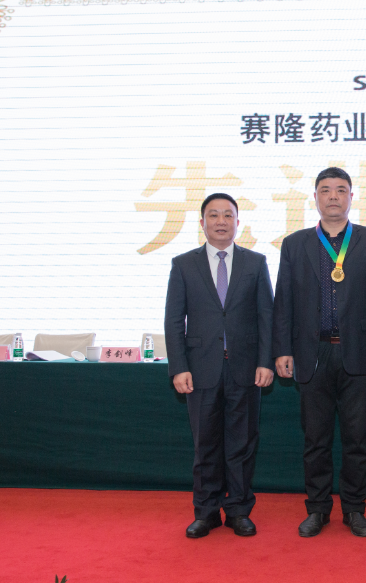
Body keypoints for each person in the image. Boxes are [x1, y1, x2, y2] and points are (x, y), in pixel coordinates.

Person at [272, 166, 366, 538]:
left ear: (351, 197)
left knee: (357, 439)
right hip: (311, 354)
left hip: (358, 352)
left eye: (340, 190)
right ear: (315, 197)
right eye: (325, 190)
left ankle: (355, 509)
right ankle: (317, 509)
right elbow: (284, 302)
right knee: (316, 439)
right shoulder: (294, 244)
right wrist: (282, 349)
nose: (333, 196)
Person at [164, 193, 275, 538]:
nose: (221, 221)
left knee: (242, 443)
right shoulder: (184, 264)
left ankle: (239, 510)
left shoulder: (255, 263)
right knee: (206, 444)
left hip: (246, 368)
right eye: (213, 215)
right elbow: (173, 320)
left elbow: (267, 317)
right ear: (202, 223)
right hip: (200, 369)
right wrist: (178, 366)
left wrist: (266, 361)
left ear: (238, 222)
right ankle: (207, 512)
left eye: (228, 215)